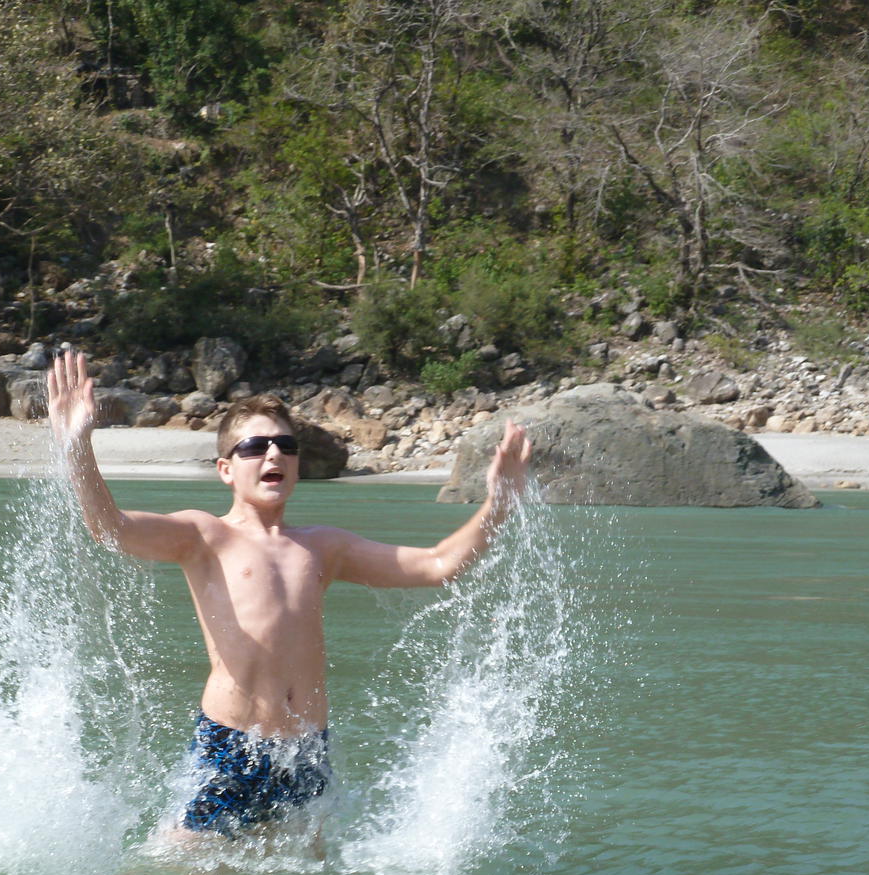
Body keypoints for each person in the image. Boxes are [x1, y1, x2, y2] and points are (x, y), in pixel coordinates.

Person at [47, 350, 531, 841]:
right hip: (233, 744)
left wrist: (500, 502)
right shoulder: (204, 536)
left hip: (305, 751)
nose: (273, 454)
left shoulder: (324, 547)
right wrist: (77, 446)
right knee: (183, 868)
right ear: (226, 469)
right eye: (255, 446)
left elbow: (438, 565)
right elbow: (109, 528)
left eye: (285, 445)